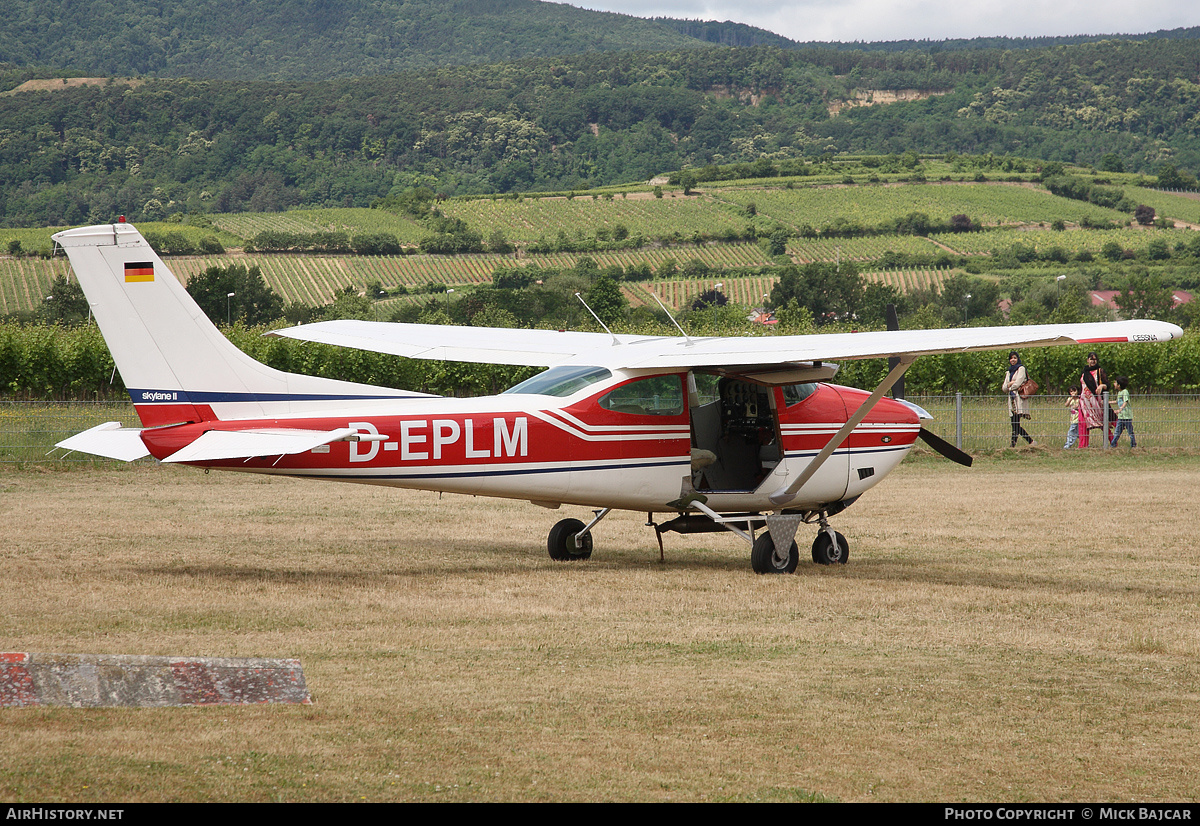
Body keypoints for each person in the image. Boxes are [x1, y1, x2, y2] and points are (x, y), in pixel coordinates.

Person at [1001, 350, 1034, 447]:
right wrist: (1010, 384)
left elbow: (1018, 383)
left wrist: (1009, 385)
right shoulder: (1009, 371)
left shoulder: (1021, 369)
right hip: (1011, 401)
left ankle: (1014, 445)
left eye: (1015, 358)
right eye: (1011, 358)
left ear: (1018, 359)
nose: (1013, 360)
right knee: (1015, 424)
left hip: (1018, 400)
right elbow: (1003, 388)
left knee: (1015, 423)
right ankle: (1030, 442)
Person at [1077, 351, 1109, 448]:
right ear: (1087, 360)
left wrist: (1101, 386)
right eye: (1091, 359)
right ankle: (1083, 445)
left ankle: (1112, 442)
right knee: (1082, 423)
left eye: (1095, 359)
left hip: (1095, 402)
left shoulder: (1099, 371)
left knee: (1102, 423)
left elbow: (1108, 385)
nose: (1093, 361)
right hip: (1084, 402)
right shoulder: (1084, 372)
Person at [1110, 376, 1136, 448]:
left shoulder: (1125, 392)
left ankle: (1133, 444)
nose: (1114, 384)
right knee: (1117, 431)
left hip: (1126, 416)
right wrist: (1107, 402)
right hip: (1121, 417)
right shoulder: (1119, 392)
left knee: (1130, 432)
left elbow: (1125, 402)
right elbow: (1116, 401)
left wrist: (1119, 410)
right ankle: (1113, 444)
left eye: (1115, 383)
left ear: (1119, 385)